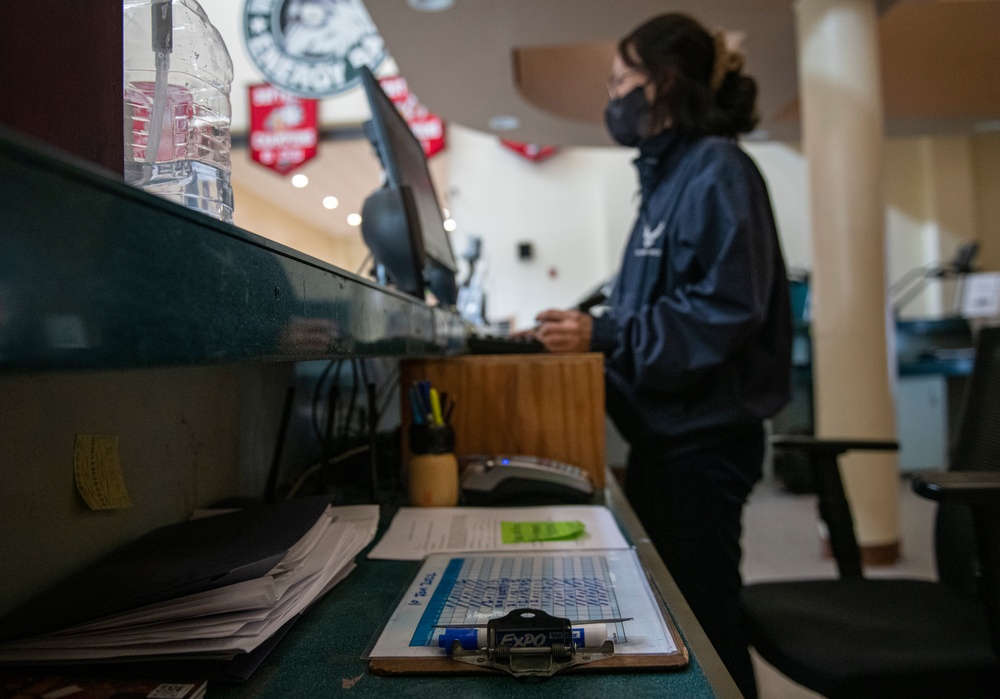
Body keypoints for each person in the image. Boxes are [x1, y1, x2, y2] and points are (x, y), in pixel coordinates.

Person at [532, 13, 792, 699]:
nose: (611, 97)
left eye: (621, 79)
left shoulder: (719, 170)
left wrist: (609, 335)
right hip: (665, 438)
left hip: (702, 444)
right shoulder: (666, 185)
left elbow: (727, 308)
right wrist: (591, 333)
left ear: (664, 83)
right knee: (673, 615)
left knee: (704, 621)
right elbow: (656, 312)